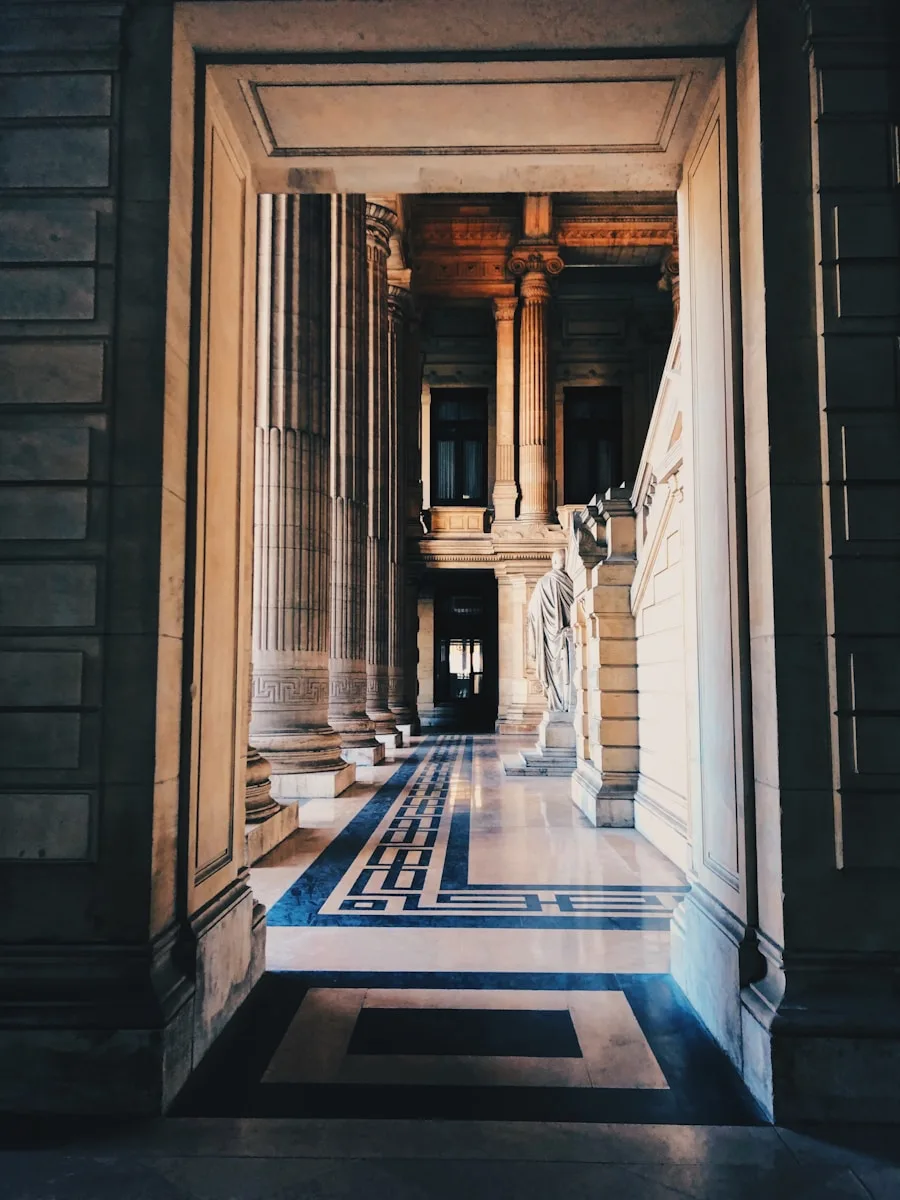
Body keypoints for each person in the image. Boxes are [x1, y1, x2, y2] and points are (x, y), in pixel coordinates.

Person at [527, 549, 575, 711]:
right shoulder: (572, 581)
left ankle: (559, 705)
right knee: (568, 673)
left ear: (553, 562)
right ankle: (565, 706)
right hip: (568, 637)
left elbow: (532, 614)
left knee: (556, 673)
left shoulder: (543, 583)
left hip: (549, 639)